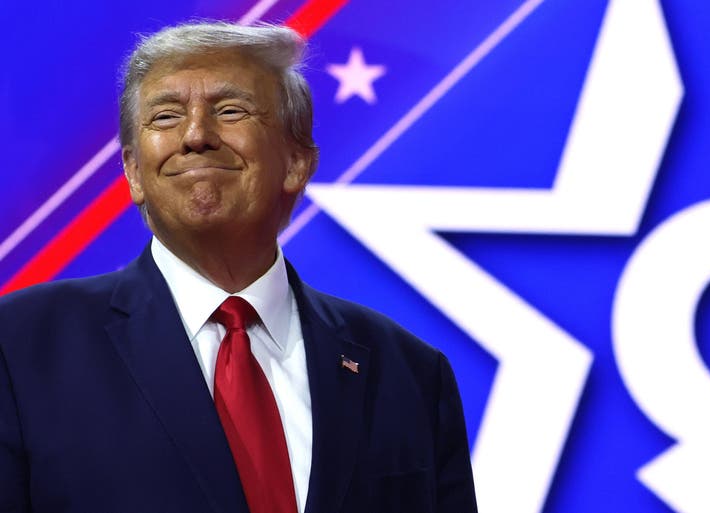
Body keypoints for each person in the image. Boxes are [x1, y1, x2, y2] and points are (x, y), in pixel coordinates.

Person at [0, 21, 478, 513]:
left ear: (296, 161)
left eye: (230, 110)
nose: (195, 136)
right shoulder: (19, 347)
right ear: (134, 172)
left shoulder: (409, 373)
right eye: (165, 117)